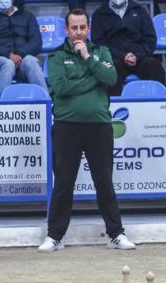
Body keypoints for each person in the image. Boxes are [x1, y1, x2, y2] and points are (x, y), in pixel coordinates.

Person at [39, 8, 135, 252]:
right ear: (66, 29)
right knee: (63, 183)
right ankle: (54, 237)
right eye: (74, 28)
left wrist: (87, 59)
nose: (78, 32)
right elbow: (61, 88)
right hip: (66, 127)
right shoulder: (57, 56)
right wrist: (93, 77)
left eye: (82, 27)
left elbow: (111, 78)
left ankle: (116, 233)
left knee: (104, 182)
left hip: (99, 127)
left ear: (88, 28)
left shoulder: (100, 51)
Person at [91, 0, 165, 96]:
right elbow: (98, 44)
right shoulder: (99, 14)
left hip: (140, 57)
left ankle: (159, 104)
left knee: (154, 65)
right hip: (114, 58)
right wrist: (122, 56)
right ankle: (111, 107)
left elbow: (150, 40)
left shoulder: (140, 11)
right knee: (110, 69)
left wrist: (137, 56)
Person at [0, 0, 48, 98]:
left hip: (22, 61)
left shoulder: (28, 16)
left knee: (31, 61)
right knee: (7, 64)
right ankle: (1, 107)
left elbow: (37, 42)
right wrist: (9, 55)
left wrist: (20, 55)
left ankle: (46, 104)